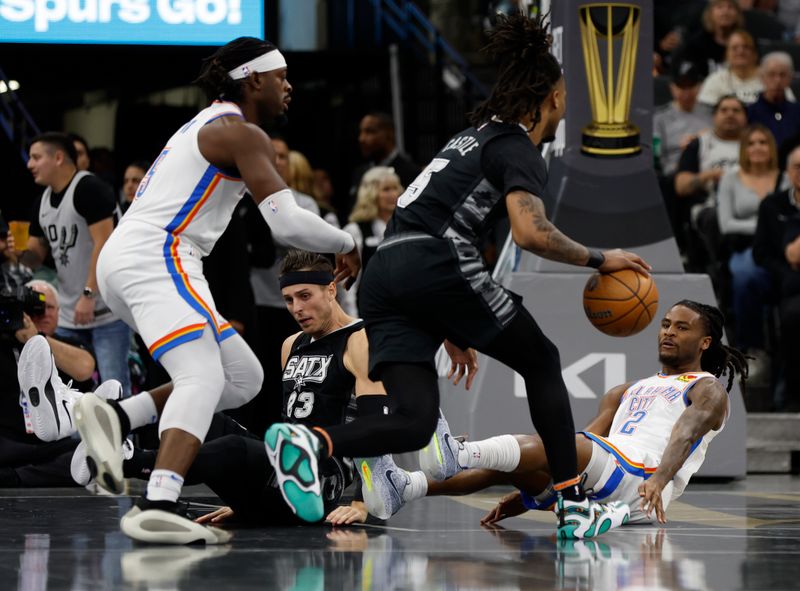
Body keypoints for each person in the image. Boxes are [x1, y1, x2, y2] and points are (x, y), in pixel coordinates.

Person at [265, 13, 650, 539]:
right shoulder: (517, 146)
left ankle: (312, 441)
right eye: (564, 96)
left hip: (388, 272)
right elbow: (532, 231)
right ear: (554, 98)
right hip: (437, 262)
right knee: (542, 360)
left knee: (416, 420)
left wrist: (452, 327)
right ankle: (572, 499)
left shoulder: (469, 137)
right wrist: (601, 259)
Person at [71, 37, 361, 545]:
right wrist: (347, 240)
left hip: (150, 257)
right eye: (281, 77)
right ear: (253, 81)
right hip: (157, 256)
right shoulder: (239, 131)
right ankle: (158, 503)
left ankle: (117, 415)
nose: (289, 86)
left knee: (242, 377)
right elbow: (287, 224)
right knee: (202, 374)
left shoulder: (210, 124)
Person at [360, 301, 746, 530]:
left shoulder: (707, 388)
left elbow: (684, 432)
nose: (669, 332)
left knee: (541, 445)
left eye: (682, 328)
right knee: (518, 463)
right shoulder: (625, 390)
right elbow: (576, 443)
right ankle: (405, 487)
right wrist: (535, 487)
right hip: (610, 473)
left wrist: (660, 480)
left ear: (705, 342)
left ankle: (457, 454)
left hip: (642, 478)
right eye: (665, 325)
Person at [69, 251, 382, 529]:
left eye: (304, 296)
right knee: (209, 417)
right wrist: (242, 493)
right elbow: (288, 425)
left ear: (331, 290)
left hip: (322, 481)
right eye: (288, 300)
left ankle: (127, 460)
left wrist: (362, 502)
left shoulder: (361, 339)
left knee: (235, 448)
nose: (296, 308)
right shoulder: (292, 344)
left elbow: (376, 427)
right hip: (281, 478)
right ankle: (118, 426)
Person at [26, 132, 132, 397]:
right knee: (64, 388)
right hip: (69, 315)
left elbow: (104, 243)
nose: (30, 164)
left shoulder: (89, 188)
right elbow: (35, 255)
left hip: (106, 311)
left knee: (113, 387)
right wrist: (12, 254)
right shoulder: (42, 201)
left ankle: (124, 439)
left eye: (36, 157)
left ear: (58, 158)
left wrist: (88, 294)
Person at [0, 279, 115, 488]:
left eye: (50, 307)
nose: (43, 313)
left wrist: (36, 339)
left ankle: (16, 477)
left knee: (94, 456)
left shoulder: (66, 345)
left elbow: (84, 368)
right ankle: (22, 475)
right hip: (9, 444)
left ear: (60, 312)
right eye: (36, 307)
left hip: (53, 447)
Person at [716, 124, 783, 380]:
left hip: (780, 247)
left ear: (771, 148)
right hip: (745, 247)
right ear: (744, 149)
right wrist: (766, 224)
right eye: (752, 143)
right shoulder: (731, 178)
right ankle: (750, 347)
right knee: (745, 279)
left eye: (763, 142)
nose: (757, 148)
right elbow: (726, 223)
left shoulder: (785, 177)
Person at [674, 95, 747, 271]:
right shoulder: (700, 143)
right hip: (710, 205)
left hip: (749, 204)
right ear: (714, 117)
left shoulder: (756, 142)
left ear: (746, 117)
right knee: (716, 218)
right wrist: (708, 176)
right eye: (724, 110)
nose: (730, 114)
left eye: (736, 110)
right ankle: (720, 268)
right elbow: (680, 186)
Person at [753, 145, 800, 410]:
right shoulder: (772, 205)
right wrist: (786, 272)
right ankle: (790, 396)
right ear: (787, 171)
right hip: (789, 286)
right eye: (797, 167)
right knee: (792, 318)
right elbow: (761, 254)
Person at [341, 166, 403, 315]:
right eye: (386, 189)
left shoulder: (407, 227)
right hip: (369, 313)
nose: (392, 194)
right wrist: (353, 321)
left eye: (395, 188)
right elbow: (348, 285)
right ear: (371, 194)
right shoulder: (355, 230)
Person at [345, 112, 419, 222]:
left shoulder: (410, 172)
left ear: (389, 133)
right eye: (361, 132)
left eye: (370, 132)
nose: (362, 138)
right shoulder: (359, 173)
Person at [747, 53, 800, 155]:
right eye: (771, 74)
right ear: (762, 77)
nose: (777, 80)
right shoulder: (750, 112)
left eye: (783, 75)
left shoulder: (797, 111)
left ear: (790, 78)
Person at [697, 30, 763, 108]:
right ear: (727, 55)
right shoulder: (715, 80)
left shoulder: (769, 79)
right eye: (734, 48)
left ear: (755, 53)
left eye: (746, 47)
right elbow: (704, 111)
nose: (740, 51)